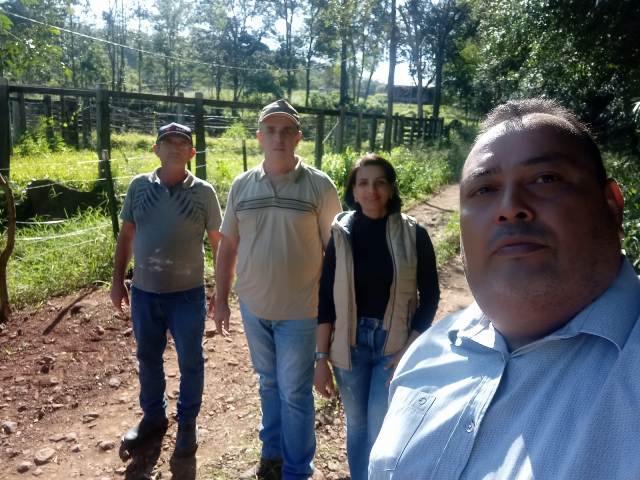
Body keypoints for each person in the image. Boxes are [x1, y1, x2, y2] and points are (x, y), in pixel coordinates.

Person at [368, 98, 639, 479]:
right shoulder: (426, 355)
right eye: (484, 189)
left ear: (611, 205)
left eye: (546, 178)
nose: (510, 207)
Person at [215, 99, 342, 479]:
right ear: (259, 137)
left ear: (298, 137)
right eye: (271, 130)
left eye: (286, 131)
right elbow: (228, 245)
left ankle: (297, 469)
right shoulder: (242, 185)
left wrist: (335, 314)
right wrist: (221, 299)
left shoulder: (319, 186)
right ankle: (271, 453)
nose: (278, 138)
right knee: (268, 383)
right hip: (253, 307)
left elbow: (336, 254)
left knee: (295, 393)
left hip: (301, 312)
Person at [314, 154, 440, 480]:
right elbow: (326, 299)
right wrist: (320, 358)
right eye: (363, 183)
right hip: (349, 346)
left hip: (392, 347)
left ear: (391, 188)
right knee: (357, 427)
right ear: (353, 191)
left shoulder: (414, 234)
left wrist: (408, 350)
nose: (372, 191)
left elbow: (430, 297)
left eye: (380, 182)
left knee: (381, 428)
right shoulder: (341, 235)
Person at [110, 122, 222, 458]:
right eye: (167, 142)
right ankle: (153, 417)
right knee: (147, 357)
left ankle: (187, 421)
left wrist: (221, 289)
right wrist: (117, 280)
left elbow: (218, 243)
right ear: (155, 149)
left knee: (190, 360)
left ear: (192, 153)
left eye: (182, 143)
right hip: (145, 292)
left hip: (187, 294)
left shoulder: (204, 193)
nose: (174, 147)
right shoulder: (139, 187)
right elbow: (126, 235)